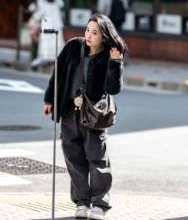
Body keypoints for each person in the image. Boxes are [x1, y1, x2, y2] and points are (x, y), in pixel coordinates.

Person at [43, 14, 127, 220]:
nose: (89, 35)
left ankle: (100, 203)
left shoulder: (108, 55)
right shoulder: (73, 47)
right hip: (69, 113)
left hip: (93, 117)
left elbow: (113, 89)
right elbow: (58, 73)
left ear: (104, 36)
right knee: (74, 159)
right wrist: (49, 99)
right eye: (88, 30)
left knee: (97, 160)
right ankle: (82, 202)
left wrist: (116, 64)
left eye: (95, 32)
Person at [28, 0, 65, 68]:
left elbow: (38, 12)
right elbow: (62, 4)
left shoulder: (41, 0)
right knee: (57, 41)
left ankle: (45, 60)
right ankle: (56, 60)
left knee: (46, 42)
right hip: (57, 22)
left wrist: (31, 21)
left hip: (47, 22)